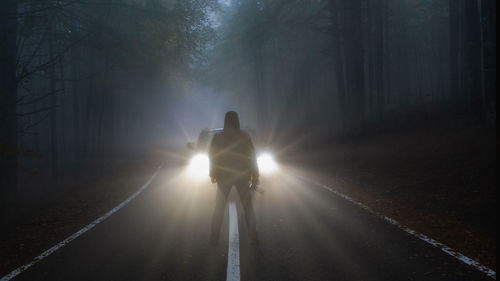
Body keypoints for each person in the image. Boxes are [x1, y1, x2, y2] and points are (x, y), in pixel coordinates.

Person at [208, 111, 259, 245]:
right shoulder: (244, 136)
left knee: (219, 208)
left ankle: (214, 238)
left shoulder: (218, 136)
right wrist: (255, 175)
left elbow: (213, 157)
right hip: (242, 175)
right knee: (248, 208)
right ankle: (253, 237)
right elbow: (252, 156)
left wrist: (213, 174)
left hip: (224, 177)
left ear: (225, 121)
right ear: (237, 121)